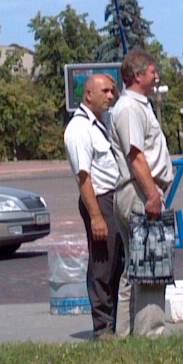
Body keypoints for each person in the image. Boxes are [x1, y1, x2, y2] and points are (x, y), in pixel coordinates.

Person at [109, 48, 174, 338]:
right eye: (152, 71)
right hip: (139, 191)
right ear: (137, 75)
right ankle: (149, 335)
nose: (156, 76)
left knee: (134, 268)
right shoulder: (129, 108)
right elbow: (136, 156)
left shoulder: (138, 105)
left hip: (140, 190)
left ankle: (126, 334)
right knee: (151, 265)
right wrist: (152, 195)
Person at [63, 70, 124, 337]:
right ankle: (102, 327)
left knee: (117, 264)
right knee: (103, 265)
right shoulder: (79, 129)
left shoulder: (102, 122)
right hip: (99, 200)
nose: (110, 96)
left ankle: (116, 322)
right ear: (88, 95)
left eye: (112, 91)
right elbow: (83, 176)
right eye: (105, 92)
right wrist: (96, 217)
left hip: (114, 198)